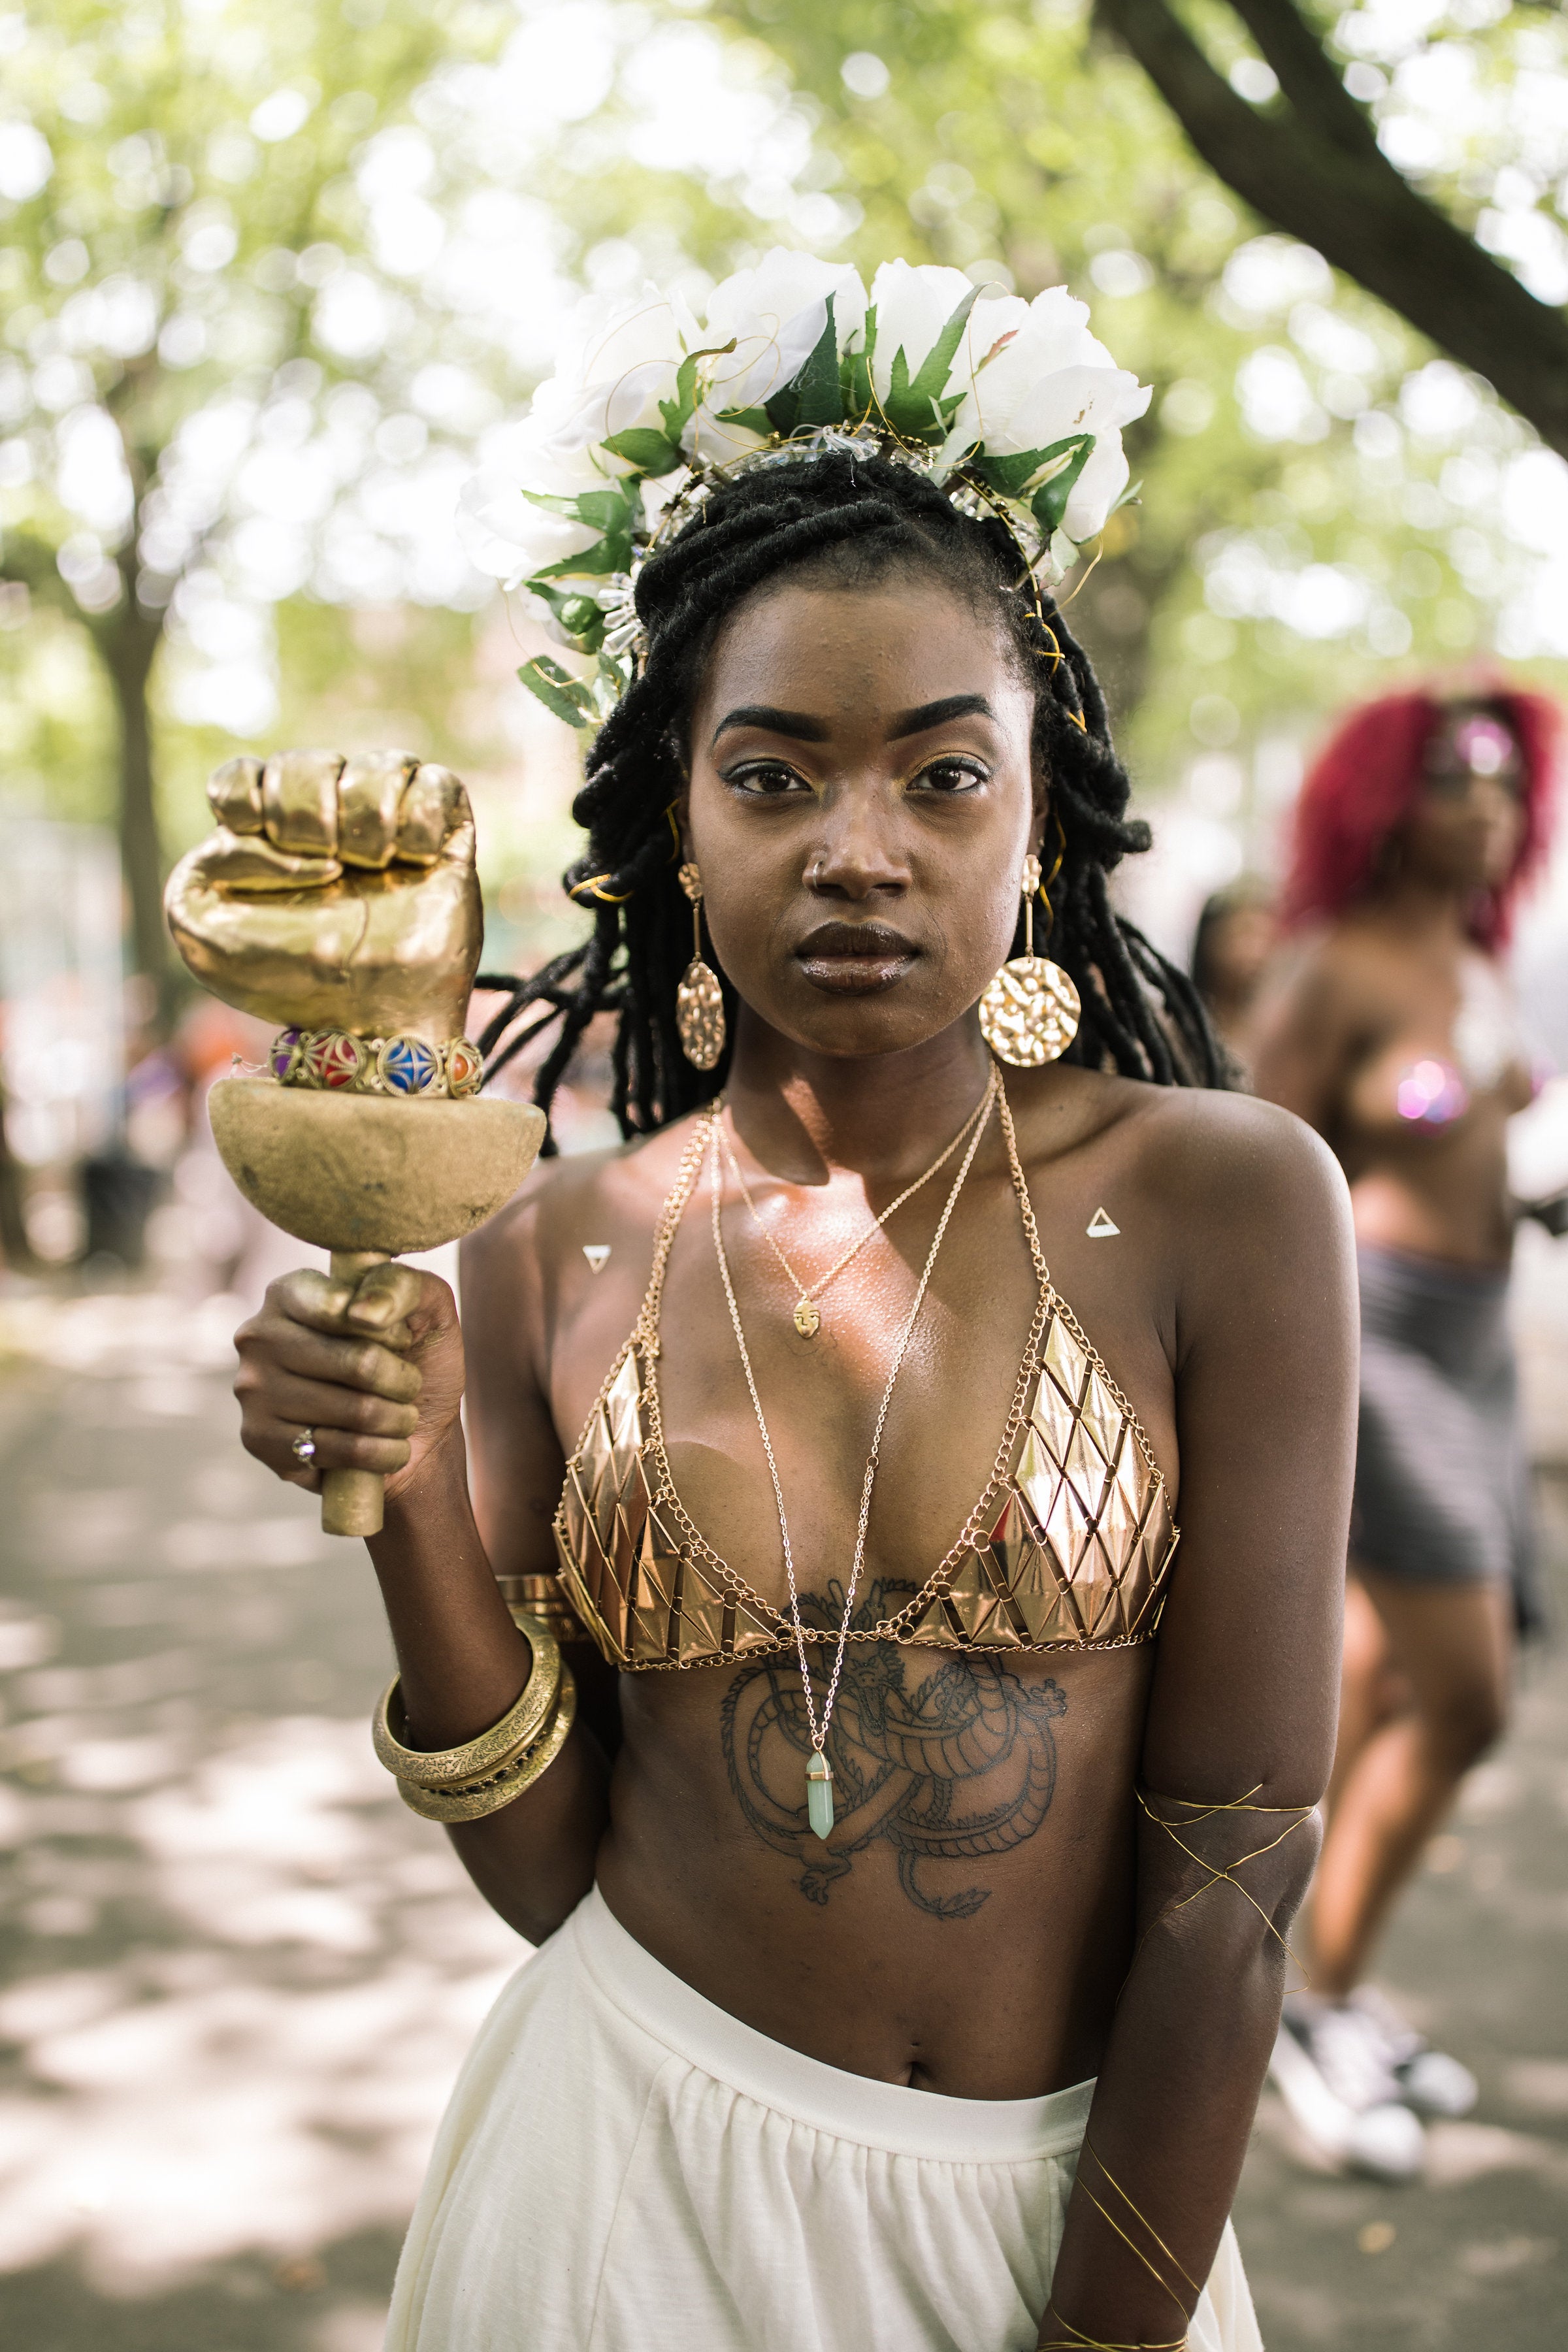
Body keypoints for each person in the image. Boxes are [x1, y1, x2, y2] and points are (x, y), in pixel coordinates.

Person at [215, 259, 1355, 2352]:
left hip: (1067, 2228)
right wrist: (386, 1486)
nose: (857, 849)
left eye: (939, 775)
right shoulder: (555, 1241)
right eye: (772, 777)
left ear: (1043, 812)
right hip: (608, 2199)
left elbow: (1228, 1892)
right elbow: (546, 1867)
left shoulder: (1223, 1201)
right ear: (674, 816)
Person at [1251, 683, 1561, 2180]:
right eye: (1451, 779)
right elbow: (1257, 1170)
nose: (1485, 806)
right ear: (1383, 796)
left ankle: (1309, 1984)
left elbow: (1478, 1120)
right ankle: (1304, 2014)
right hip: (1376, 1346)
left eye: (1504, 781)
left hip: (1475, 1339)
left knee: (1375, 1688)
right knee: (1467, 1697)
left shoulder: (1471, 956)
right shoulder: (1333, 968)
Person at [1188, 879, 1279, 1079]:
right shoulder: (1183, 1026)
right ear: (1209, 941)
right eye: (1243, 934)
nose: (1257, 951)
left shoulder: (1279, 1025)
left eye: (1266, 936)